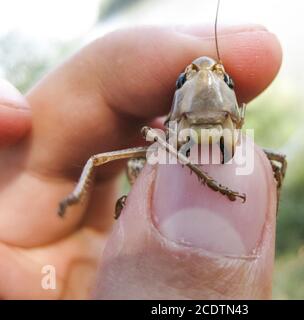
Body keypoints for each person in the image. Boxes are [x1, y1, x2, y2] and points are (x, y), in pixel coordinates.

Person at [0, 24, 282, 299]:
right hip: (175, 139)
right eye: (185, 81)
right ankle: (78, 199)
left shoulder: (234, 116)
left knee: (277, 163)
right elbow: (98, 160)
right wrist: (74, 198)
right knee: (118, 161)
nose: (206, 82)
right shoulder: (167, 130)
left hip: (215, 137)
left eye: (224, 81)